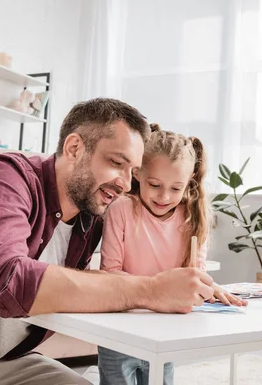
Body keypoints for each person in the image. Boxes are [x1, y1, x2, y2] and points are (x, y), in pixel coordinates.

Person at [0, 99, 215, 385]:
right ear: (74, 147)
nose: (125, 183)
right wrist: (149, 289)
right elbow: (5, 282)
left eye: (132, 173)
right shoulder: (6, 175)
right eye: (116, 163)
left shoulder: (90, 216)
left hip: (2, 365)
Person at [98, 124, 247, 385]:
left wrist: (210, 288)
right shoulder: (121, 209)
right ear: (138, 174)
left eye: (176, 188)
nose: (164, 196)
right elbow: (109, 273)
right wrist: (154, 294)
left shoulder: (192, 217)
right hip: (120, 328)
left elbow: (195, 275)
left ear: (188, 184)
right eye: (154, 184)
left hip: (166, 331)